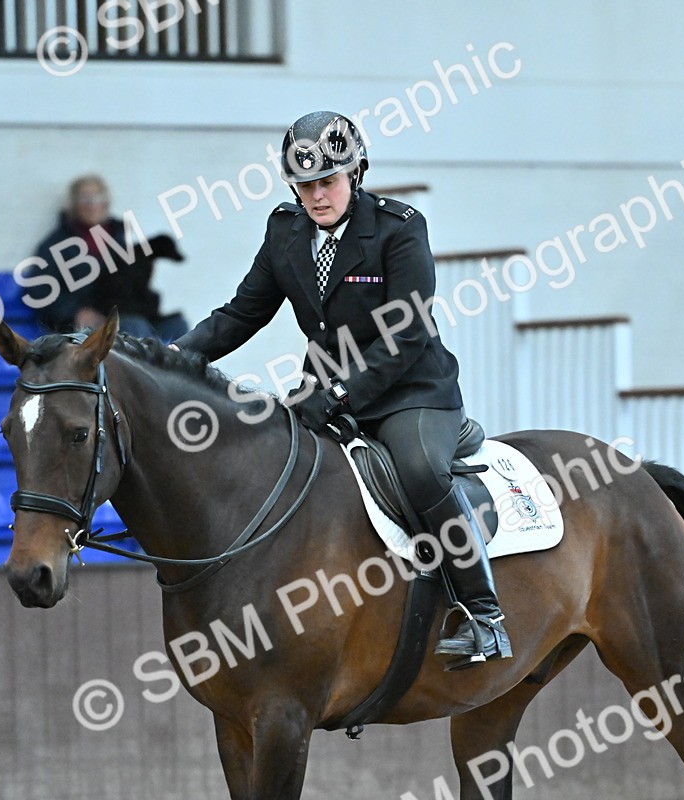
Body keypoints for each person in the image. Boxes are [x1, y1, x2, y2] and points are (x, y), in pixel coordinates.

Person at [171, 111, 510, 668]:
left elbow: (405, 334)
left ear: (356, 174)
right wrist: (172, 357)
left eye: (327, 182)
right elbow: (241, 313)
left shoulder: (400, 229)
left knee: (421, 470)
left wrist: (339, 394)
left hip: (412, 393)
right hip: (326, 392)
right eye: (305, 186)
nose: (316, 196)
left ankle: (484, 615)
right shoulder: (285, 230)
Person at [29, 175, 189, 340]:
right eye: (84, 197)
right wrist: (75, 313)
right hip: (86, 326)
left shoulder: (118, 240)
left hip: (123, 315)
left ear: (106, 202)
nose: (91, 204)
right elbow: (40, 291)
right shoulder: (55, 245)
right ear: (74, 204)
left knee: (177, 326)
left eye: (97, 196)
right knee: (133, 327)